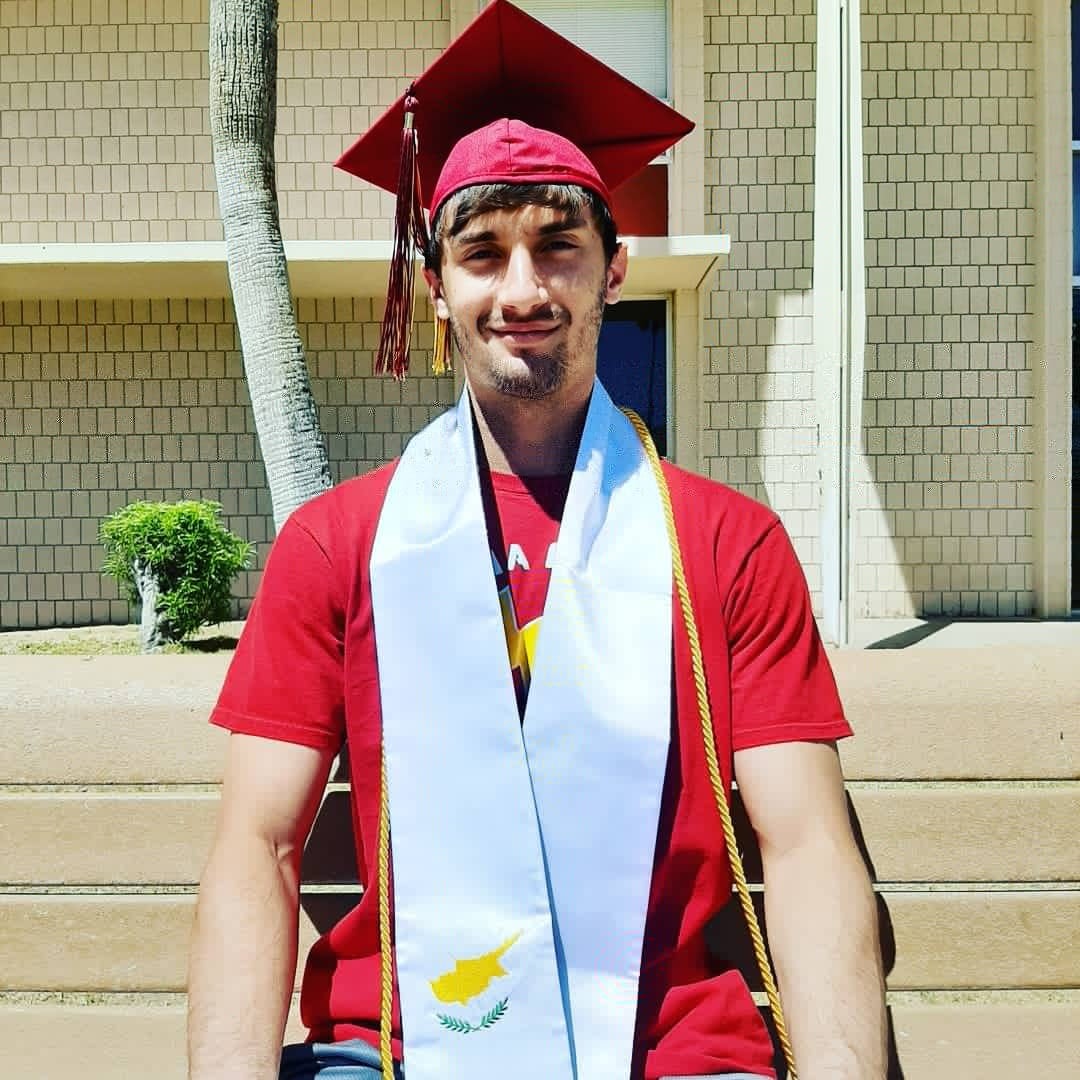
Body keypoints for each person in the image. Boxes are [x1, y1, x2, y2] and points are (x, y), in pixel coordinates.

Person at [187, 3, 886, 1079]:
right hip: (395, 1049)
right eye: (483, 252)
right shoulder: (341, 543)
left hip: (673, 1052)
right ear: (437, 287)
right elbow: (259, 848)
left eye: (559, 246)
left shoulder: (726, 544)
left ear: (614, 268)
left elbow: (802, 850)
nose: (523, 288)